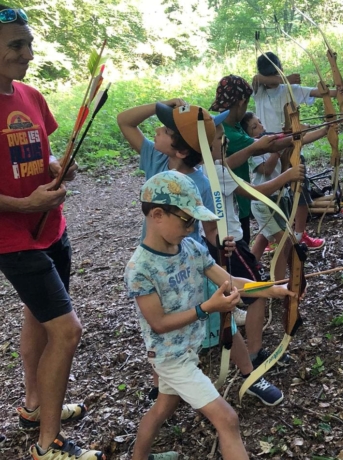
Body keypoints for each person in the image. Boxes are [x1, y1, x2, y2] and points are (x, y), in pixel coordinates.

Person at [118, 102, 283, 406]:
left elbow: (209, 230)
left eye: (166, 130)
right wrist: (159, 105)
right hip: (157, 263)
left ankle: (250, 374)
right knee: (158, 329)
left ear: (181, 151)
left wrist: (222, 243)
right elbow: (125, 120)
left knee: (225, 322)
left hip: (192, 261)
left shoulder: (202, 181)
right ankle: (161, 387)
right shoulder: (156, 158)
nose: (158, 130)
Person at [125, 170, 298, 460]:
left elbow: (227, 280)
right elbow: (158, 323)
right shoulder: (140, 269)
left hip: (187, 349)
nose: (192, 226)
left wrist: (269, 288)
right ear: (157, 215)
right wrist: (207, 308)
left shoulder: (191, 247)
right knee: (227, 419)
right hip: (170, 357)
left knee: (163, 408)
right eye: (186, 219)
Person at [0, 6, 104, 460]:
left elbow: (41, 156)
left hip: (51, 229)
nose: (28, 52)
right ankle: (48, 443)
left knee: (37, 314)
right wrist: (25, 205)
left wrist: (59, 167)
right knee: (66, 331)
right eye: (16, 45)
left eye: (28, 43)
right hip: (14, 239)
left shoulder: (31, 94)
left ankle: (33, 404)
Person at [209, 76, 326, 367]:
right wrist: (286, 175)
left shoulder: (208, 166)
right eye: (218, 139)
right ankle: (253, 354)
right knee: (255, 291)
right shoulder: (215, 169)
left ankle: (234, 346)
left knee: (232, 288)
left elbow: (243, 156)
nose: (224, 141)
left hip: (221, 239)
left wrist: (303, 134)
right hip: (227, 240)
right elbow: (252, 183)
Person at [252, 51, 343, 250]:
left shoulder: (290, 89)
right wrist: (284, 78)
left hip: (292, 145)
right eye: (273, 74)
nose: (276, 79)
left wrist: (337, 92)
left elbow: (317, 93)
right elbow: (256, 79)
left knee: (300, 192)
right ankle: (275, 235)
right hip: (267, 148)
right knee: (273, 194)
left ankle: (299, 234)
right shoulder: (259, 91)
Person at [241, 111, 333, 281]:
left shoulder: (272, 142)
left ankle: (246, 274)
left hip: (277, 199)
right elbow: (267, 170)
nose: (261, 126)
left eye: (260, 122)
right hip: (264, 202)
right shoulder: (254, 150)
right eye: (254, 127)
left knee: (263, 239)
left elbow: (298, 141)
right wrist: (277, 149)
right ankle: (279, 282)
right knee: (285, 243)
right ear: (247, 136)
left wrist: (323, 130)